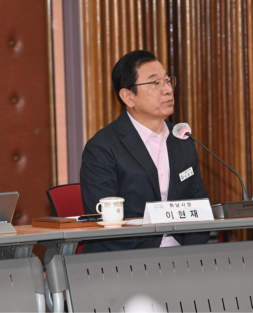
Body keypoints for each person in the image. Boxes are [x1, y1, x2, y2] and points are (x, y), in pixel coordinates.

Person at [80, 50, 209, 252]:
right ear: (128, 97)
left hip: (183, 256)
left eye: (167, 81)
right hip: (128, 259)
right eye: (155, 83)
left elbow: (199, 205)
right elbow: (105, 223)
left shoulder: (182, 139)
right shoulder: (102, 148)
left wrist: (190, 255)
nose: (167, 90)